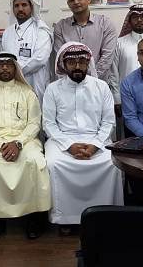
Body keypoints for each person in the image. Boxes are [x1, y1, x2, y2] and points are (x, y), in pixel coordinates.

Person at [42, 42, 123, 236]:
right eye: (72, 62)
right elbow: (49, 124)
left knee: (112, 164)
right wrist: (69, 146)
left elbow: (108, 122)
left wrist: (95, 145)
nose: (77, 66)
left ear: (88, 63)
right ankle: (65, 219)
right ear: (64, 65)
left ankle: (106, 216)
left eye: (81, 62)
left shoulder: (101, 87)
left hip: (97, 139)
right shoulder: (53, 89)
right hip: (62, 140)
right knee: (54, 164)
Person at [0, 53, 51, 239]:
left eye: (9, 64)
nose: (5, 68)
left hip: (24, 139)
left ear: (16, 68)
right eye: (1, 65)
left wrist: (18, 143)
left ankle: (34, 217)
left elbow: (34, 123)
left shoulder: (27, 92)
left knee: (35, 161)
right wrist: (1, 144)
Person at [53, 0, 118, 83]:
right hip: (70, 84)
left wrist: (90, 80)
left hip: (98, 83)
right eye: (71, 0)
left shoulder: (105, 24)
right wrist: (74, 79)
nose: (76, 2)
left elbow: (107, 57)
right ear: (68, 3)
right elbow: (61, 58)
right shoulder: (61, 27)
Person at [1, 0, 53, 103]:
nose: (20, 9)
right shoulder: (7, 32)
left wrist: (15, 71)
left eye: (24, 5)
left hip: (35, 83)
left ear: (31, 7)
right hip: (11, 83)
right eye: (16, 6)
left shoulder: (41, 30)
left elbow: (40, 59)